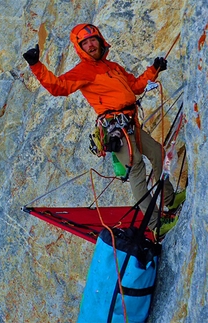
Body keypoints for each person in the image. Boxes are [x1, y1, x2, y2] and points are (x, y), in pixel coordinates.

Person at [23, 23, 185, 235]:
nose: (91, 45)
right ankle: (155, 225)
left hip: (130, 123)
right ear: (80, 48)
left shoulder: (113, 67)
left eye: (93, 40)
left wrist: (153, 70)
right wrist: (36, 65)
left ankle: (170, 200)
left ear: (100, 41)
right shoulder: (83, 71)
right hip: (116, 130)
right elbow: (58, 87)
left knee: (157, 153)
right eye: (85, 43)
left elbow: (135, 87)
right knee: (136, 169)